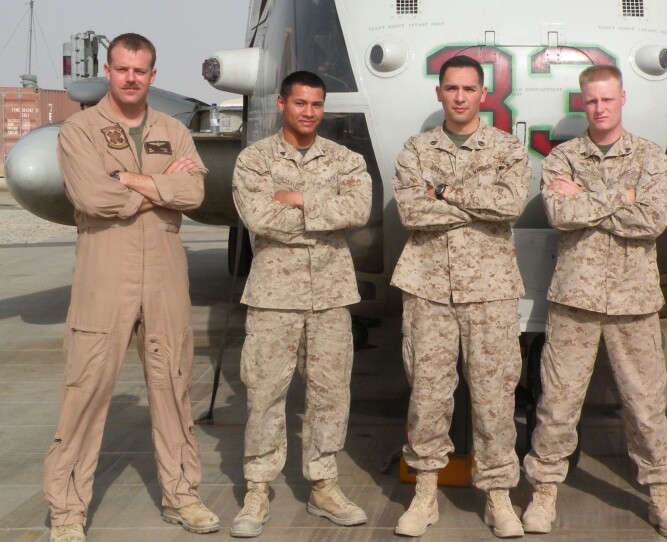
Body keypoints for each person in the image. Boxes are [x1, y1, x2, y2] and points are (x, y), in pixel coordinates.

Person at [44, 33, 218, 542]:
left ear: (153, 75)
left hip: (164, 274)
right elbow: (94, 196)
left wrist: (132, 178)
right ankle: (68, 511)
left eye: (141, 70)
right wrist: (161, 182)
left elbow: (195, 191)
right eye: (121, 69)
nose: (131, 78)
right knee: (86, 388)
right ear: (108, 70)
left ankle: (182, 495)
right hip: (105, 273)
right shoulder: (79, 130)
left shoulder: (171, 129)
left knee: (174, 385)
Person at [521, 64, 667, 538]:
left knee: (645, 405)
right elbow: (559, 213)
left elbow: (654, 220)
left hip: (633, 302)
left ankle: (661, 494)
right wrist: (623, 197)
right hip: (575, 299)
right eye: (591, 101)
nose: (599, 108)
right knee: (557, 403)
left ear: (622, 99)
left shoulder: (650, 157)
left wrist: (590, 198)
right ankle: (544, 491)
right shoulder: (562, 159)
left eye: (607, 100)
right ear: (583, 103)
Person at [390, 55, 530, 538]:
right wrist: (474, 202)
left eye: (469, 89)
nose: (460, 97)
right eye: (451, 88)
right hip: (428, 287)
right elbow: (411, 211)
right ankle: (425, 493)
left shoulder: (507, 149)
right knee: (427, 395)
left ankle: (498, 496)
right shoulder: (416, 148)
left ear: (483, 94)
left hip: (490, 289)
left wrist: (444, 192)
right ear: (439, 93)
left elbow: (510, 204)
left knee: (494, 396)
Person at [230, 70, 372, 538]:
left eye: (316, 104)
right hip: (274, 296)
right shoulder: (253, 161)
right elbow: (259, 216)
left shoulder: (347, 160)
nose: (308, 112)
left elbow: (356, 212)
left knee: (331, 392)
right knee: (265, 391)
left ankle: (324, 483)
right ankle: (257, 486)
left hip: (331, 295)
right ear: (281, 104)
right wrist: (321, 209)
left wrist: (296, 200)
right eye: (300, 103)